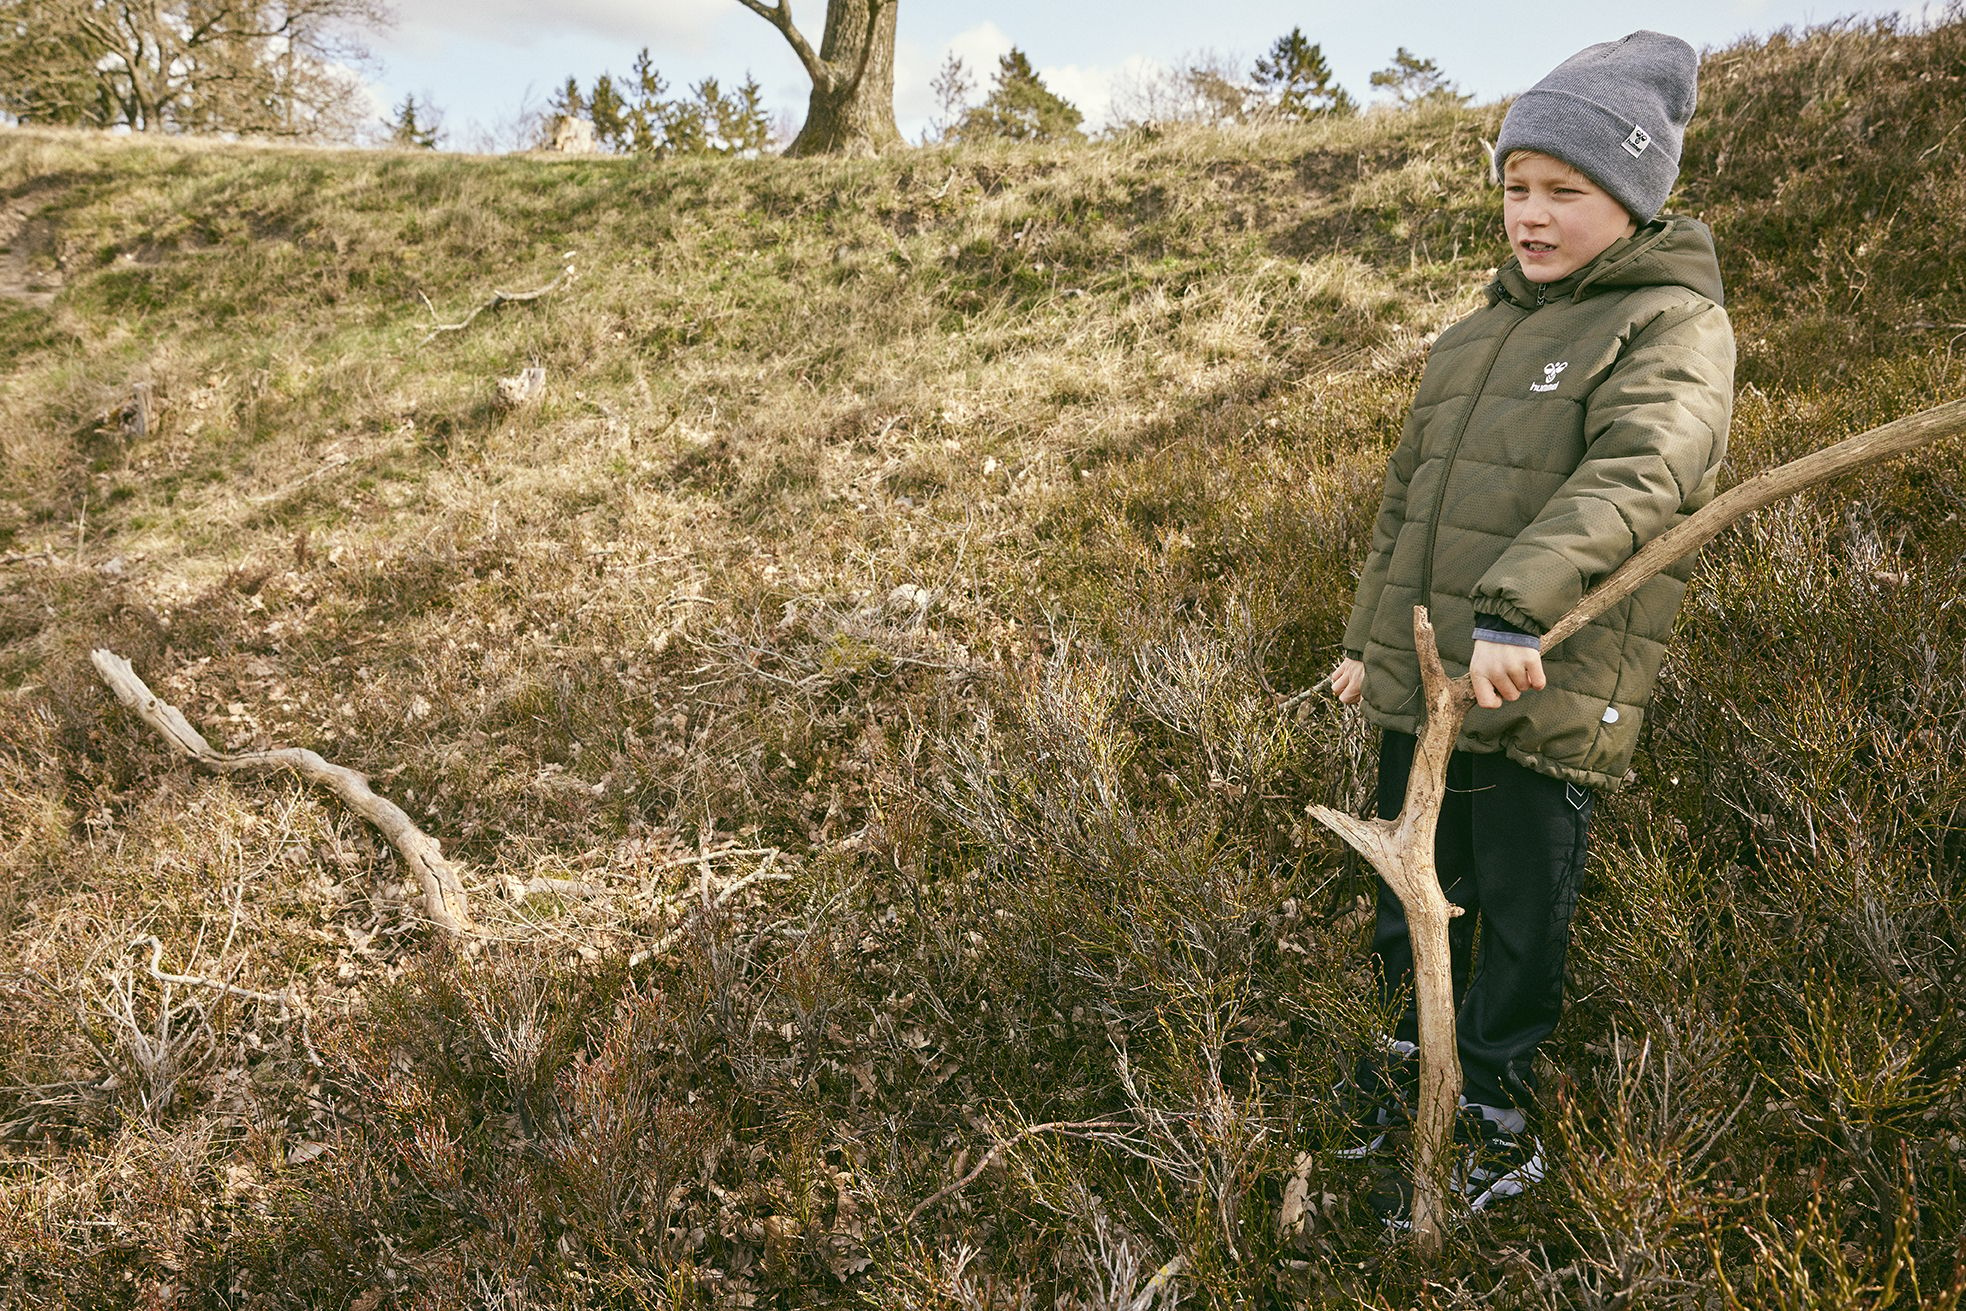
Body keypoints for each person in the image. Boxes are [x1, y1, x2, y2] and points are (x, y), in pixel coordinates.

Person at [1327, 30, 1736, 1215]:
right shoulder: (1473, 338)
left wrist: (1515, 611)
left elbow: (1643, 470)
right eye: (1516, 185)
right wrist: (1364, 645)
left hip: (1538, 685)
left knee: (1514, 907)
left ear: (1634, 198)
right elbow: (1408, 504)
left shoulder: (1668, 324)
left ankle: (1496, 1113)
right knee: (1412, 888)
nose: (1531, 213)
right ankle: (1415, 1078)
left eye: (1567, 190)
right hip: (1430, 684)